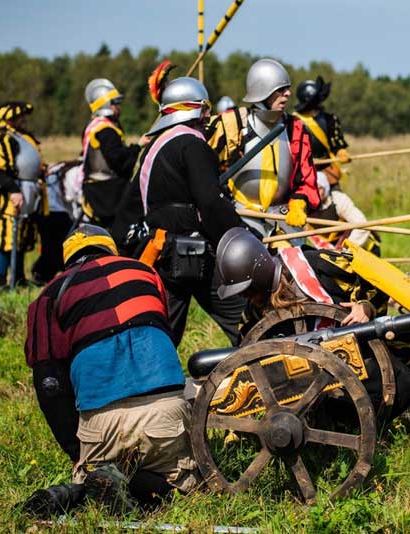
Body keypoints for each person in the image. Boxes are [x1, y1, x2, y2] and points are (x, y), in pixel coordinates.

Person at [214, 228, 410, 433]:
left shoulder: (316, 264)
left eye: (248, 289)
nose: (247, 296)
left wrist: (365, 307)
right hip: (304, 377)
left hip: (358, 343)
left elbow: (372, 281)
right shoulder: (254, 312)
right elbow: (245, 353)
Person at [23, 225, 200, 514]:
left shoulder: (49, 295)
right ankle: (144, 486)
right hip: (166, 415)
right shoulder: (146, 273)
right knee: (184, 493)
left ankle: (81, 488)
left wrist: (76, 452)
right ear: (110, 249)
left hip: (103, 423)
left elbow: (49, 385)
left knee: (95, 477)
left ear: (68, 259)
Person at [112, 63, 247, 347]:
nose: (209, 115)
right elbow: (210, 204)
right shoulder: (192, 145)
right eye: (205, 108)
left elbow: (132, 205)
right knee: (244, 318)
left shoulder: (157, 146)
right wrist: (242, 235)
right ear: (194, 109)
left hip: (163, 250)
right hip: (190, 252)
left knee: (163, 332)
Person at [207, 58, 320, 237]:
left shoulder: (295, 129)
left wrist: (299, 202)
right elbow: (199, 161)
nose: (288, 94)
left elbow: (307, 178)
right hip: (241, 218)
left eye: (287, 89)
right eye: (281, 90)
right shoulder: (233, 124)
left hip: (284, 221)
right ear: (262, 91)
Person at [0, 101, 43, 289]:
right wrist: (13, 191)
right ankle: (0, 282)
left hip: (25, 191)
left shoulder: (20, 136)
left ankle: (18, 279)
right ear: (11, 118)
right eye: (20, 116)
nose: (24, 120)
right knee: (2, 238)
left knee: (20, 238)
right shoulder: (0, 137)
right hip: (6, 194)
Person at [80, 78, 141, 228]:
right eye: (116, 104)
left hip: (99, 190)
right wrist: (138, 146)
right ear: (107, 105)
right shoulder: (106, 130)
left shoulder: (94, 126)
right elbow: (118, 160)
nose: (118, 108)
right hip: (108, 193)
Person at [293, 76, 351, 188]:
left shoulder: (330, 120)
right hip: (303, 172)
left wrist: (341, 152)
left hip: (328, 169)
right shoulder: (293, 121)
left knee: (337, 200)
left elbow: (336, 144)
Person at [308, 172, 381, 255]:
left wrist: (345, 250)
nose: (315, 193)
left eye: (319, 188)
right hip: (334, 255)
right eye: (312, 190)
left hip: (362, 249)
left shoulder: (338, 200)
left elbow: (361, 224)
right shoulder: (303, 207)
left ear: (325, 187)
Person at [30, 160, 77, 284]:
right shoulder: (73, 170)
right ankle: (42, 273)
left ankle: (42, 274)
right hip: (57, 213)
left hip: (46, 213)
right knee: (56, 248)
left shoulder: (56, 170)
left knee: (51, 248)